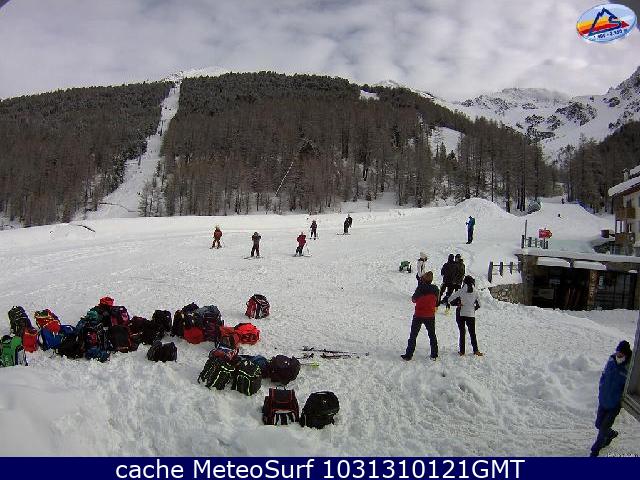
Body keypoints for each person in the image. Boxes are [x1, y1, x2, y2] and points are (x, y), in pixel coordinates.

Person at [590, 340, 633, 457]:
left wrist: (620, 399)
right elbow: (604, 375)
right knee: (598, 424)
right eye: (617, 352)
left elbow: (629, 388)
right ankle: (611, 434)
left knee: (603, 428)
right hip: (604, 399)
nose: (618, 355)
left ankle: (595, 451)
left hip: (615, 404)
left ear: (626, 355)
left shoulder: (629, 368)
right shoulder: (611, 360)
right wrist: (601, 388)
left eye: (621, 354)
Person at [401, 271, 439, 361]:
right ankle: (434, 354)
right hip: (430, 315)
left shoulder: (420, 288)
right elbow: (437, 302)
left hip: (419, 314)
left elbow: (414, 299)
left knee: (413, 335)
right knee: (432, 335)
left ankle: (409, 355)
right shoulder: (436, 289)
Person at [447, 276, 482, 356]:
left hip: (461, 313)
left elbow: (449, 300)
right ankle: (476, 350)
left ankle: (462, 351)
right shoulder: (476, 292)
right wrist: (473, 308)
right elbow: (479, 304)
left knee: (462, 332)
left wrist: (457, 303)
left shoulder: (461, 291)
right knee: (472, 333)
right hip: (471, 314)